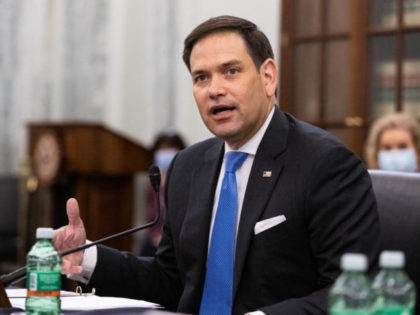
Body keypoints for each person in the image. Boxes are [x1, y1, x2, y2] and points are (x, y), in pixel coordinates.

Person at [53, 15, 380, 315]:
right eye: (201, 78)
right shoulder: (188, 166)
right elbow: (173, 280)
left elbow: (352, 295)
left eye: (231, 71)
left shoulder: (325, 164)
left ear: (268, 77)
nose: (215, 90)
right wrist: (87, 258)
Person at [140, 131, 186, 256]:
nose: (165, 153)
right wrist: (154, 236)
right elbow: (147, 215)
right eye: (162, 149)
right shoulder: (150, 182)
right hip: (152, 241)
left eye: (170, 148)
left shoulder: (187, 180)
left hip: (178, 242)